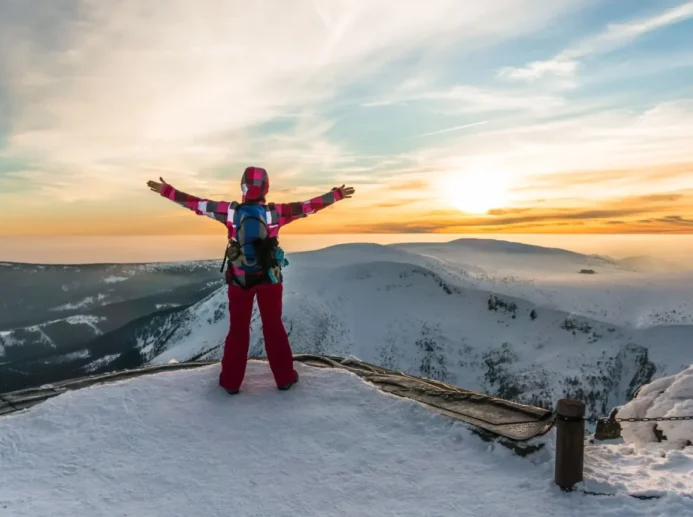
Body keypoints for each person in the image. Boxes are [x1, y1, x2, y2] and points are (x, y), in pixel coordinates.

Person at [147, 167, 355, 394]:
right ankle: (284, 378)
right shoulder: (275, 213)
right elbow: (307, 207)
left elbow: (197, 204)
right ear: (266, 187)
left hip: (239, 280)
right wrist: (335, 195)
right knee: (273, 327)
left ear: (242, 186)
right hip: (270, 278)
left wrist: (167, 191)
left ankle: (231, 382)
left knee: (238, 329)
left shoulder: (230, 212)